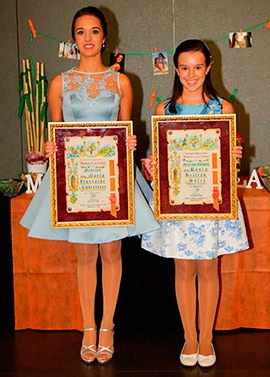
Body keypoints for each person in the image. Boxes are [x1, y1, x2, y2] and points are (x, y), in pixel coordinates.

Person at [20, 6, 158, 365]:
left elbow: (126, 129)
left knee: (112, 252)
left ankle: (108, 326)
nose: (88, 39)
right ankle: (87, 327)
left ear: (105, 37)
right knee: (85, 254)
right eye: (80, 32)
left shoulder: (121, 82)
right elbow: (57, 132)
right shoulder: (59, 83)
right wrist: (51, 148)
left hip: (111, 177)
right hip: (78, 180)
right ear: (73, 39)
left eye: (94, 31)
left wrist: (130, 143)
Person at [141, 39, 249, 368]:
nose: (191, 74)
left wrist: (235, 156)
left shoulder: (223, 109)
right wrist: (150, 164)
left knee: (208, 267)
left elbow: (229, 162)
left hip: (211, 201)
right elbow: (159, 158)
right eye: (185, 68)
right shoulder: (164, 110)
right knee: (184, 268)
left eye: (198, 67)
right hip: (176, 202)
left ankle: (206, 338)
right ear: (175, 69)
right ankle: (189, 337)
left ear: (209, 68)